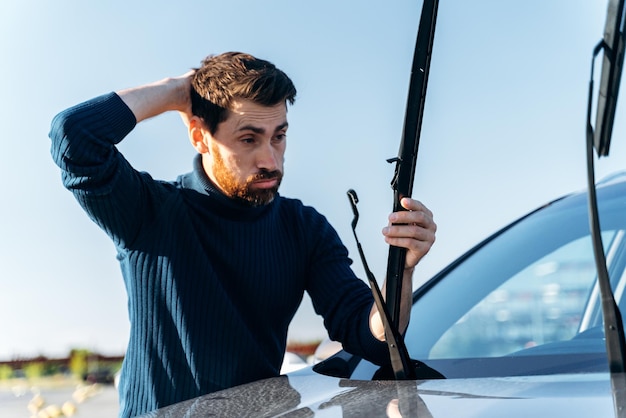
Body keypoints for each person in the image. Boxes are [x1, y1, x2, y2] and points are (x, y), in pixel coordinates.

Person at [49, 52, 436, 417]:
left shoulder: (304, 228)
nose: (270, 159)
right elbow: (74, 136)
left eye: (279, 136)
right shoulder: (149, 210)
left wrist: (402, 266)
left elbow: (370, 337)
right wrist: (177, 91)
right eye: (248, 139)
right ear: (200, 137)